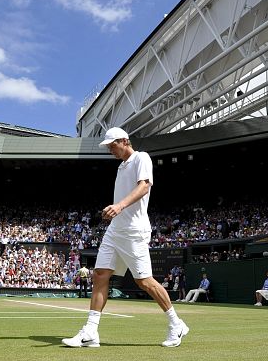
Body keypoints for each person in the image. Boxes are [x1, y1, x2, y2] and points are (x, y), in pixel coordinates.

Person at [62, 127, 188, 348]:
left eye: (112, 146)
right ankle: (91, 331)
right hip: (115, 230)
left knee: (144, 281)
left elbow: (144, 186)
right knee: (100, 275)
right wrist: (113, 210)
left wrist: (119, 206)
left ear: (124, 141)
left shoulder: (142, 158)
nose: (111, 150)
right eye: (109, 147)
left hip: (134, 231)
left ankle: (176, 323)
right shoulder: (121, 167)